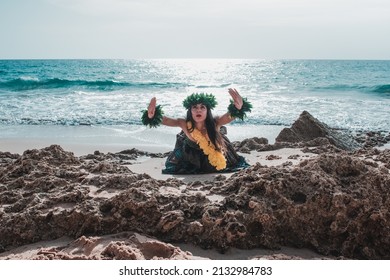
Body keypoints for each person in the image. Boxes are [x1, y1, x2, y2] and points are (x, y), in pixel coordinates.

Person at [141, 88, 252, 174]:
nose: (198, 109)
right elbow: (166, 120)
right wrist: (152, 115)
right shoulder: (184, 123)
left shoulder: (215, 122)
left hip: (214, 150)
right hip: (191, 155)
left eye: (202, 107)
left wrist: (238, 108)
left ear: (207, 110)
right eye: (195, 107)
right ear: (190, 110)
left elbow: (228, 117)